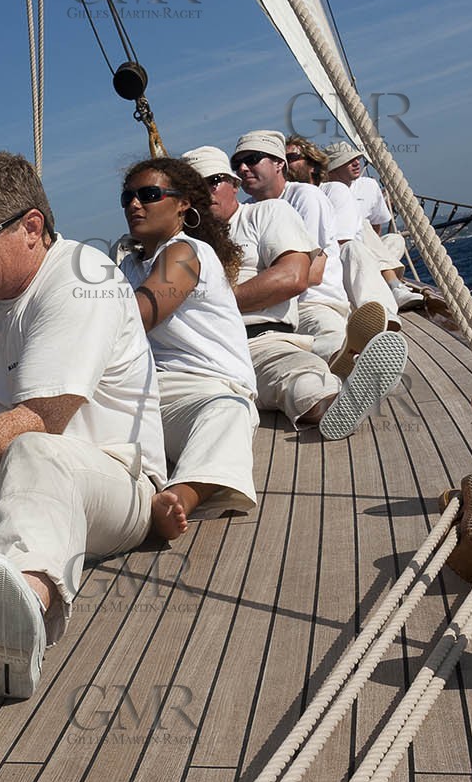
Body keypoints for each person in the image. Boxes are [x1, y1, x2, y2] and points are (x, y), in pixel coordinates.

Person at [0, 152, 165, 703]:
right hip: (4, 490)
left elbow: (42, 420)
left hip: (113, 482)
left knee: (34, 449)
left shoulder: (80, 278)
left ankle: (25, 613)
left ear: (32, 228)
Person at [184, 146, 408, 442]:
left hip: (264, 342)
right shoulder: (180, 243)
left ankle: (347, 386)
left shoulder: (268, 212)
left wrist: (207, 304)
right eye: (192, 190)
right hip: (201, 360)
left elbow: (292, 278)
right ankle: (349, 369)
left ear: (233, 185)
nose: (204, 194)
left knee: (306, 386)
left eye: (212, 182)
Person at [117, 157, 257, 541]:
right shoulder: (127, 267)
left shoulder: (186, 253)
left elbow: (142, 314)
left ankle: (179, 497)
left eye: (148, 194)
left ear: (182, 204)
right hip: (144, 394)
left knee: (230, 415)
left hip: (206, 389)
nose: (134, 204)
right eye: (127, 197)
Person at [232, 130, 356, 360]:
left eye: (252, 159)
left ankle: (356, 364)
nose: (242, 169)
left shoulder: (304, 197)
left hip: (312, 304)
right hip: (268, 312)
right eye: (236, 163)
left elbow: (312, 272)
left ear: (279, 163)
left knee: (332, 346)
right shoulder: (244, 211)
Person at [287, 135, 401, 324]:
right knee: (362, 241)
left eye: (291, 158)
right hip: (329, 272)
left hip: (339, 263)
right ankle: (389, 285)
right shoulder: (280, 202)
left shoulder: (333, 190)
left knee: (357, 247)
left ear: (312, 164)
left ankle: (381, 313)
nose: (284, 164)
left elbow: (343, 242)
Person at [323, 140, 422, 310]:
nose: (356, 163)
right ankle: (394, 286)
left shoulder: (369, 185)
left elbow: (378, 227)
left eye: (357, 158)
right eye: (347, 161)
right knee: (364, 224)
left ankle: (381, 279)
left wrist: (369, 255)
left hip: (367, 250)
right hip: (343, 256)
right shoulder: (323, 191)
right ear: (332, 169)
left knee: (396, 240)